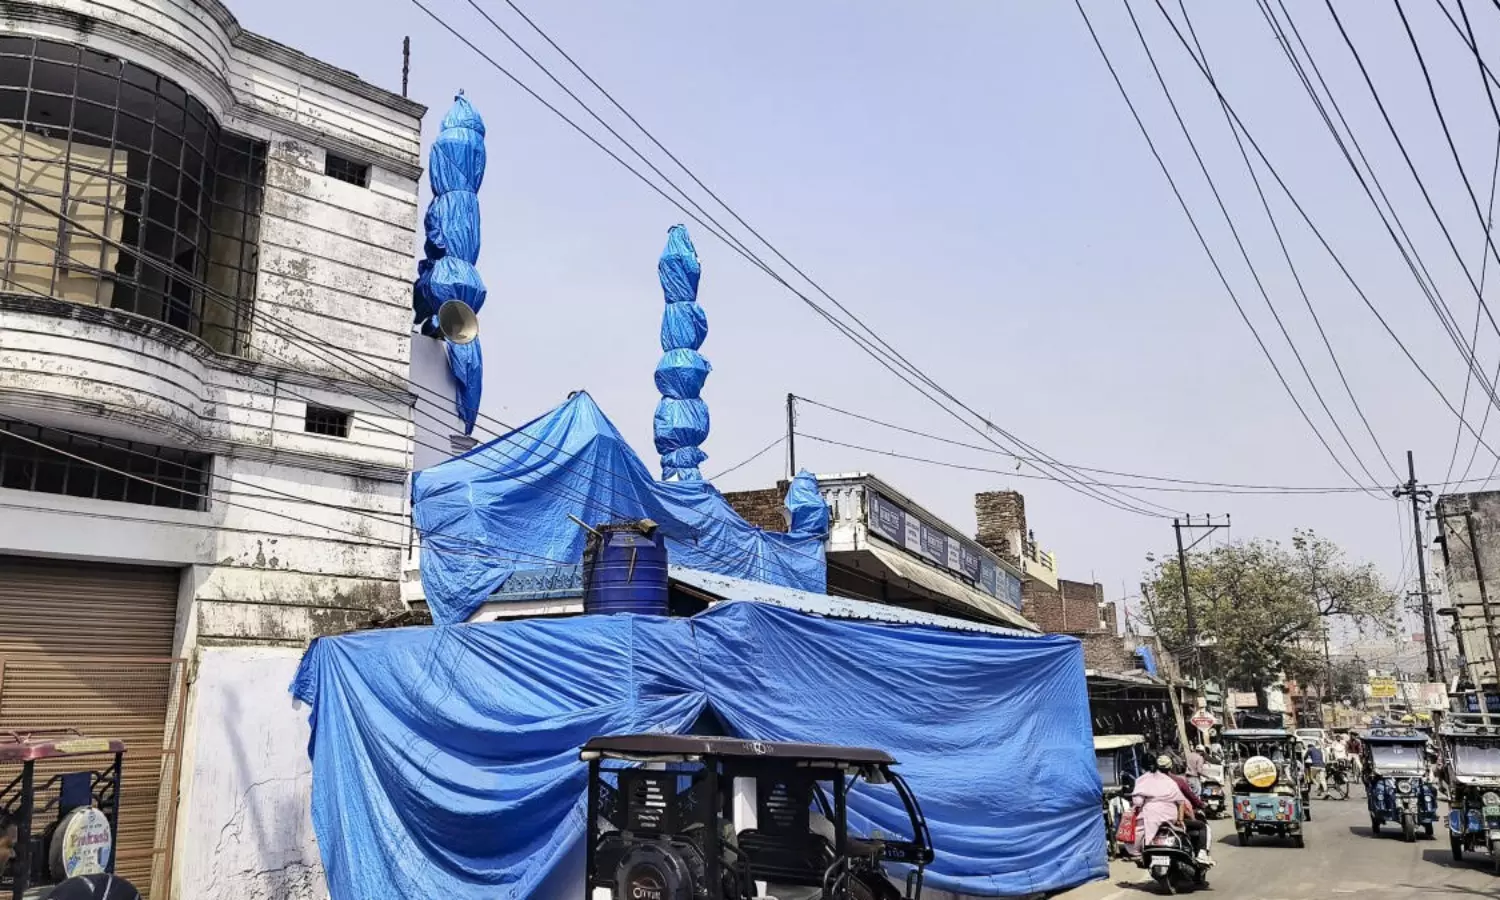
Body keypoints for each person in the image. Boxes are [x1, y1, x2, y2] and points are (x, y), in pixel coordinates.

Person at [1135, 755, 1213, 865]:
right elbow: (1187, 799)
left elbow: (1138, 801)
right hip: (1173, 818)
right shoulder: (1176, 781)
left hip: (1150, 819)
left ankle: (1139, 854)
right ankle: (1202, 854)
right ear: (1171, 767)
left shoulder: (1146, 781)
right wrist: (1200, 805)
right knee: (1202, 826)